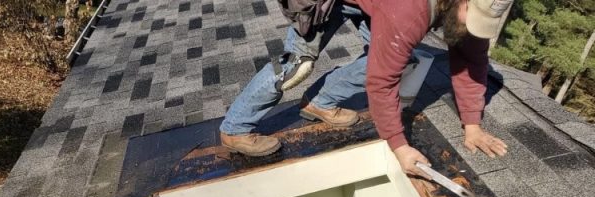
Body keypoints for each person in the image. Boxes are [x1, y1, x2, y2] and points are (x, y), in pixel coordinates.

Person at [219, 0, 511, 179]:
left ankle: (320, 102)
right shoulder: (409, 9)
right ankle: (235, 127)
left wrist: (472, 125)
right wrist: (399, 146)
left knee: (400, 56)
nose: (472, 27)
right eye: (470, 18)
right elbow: (382, 82)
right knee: (298, 64)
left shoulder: (468, 8)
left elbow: (471, 56)